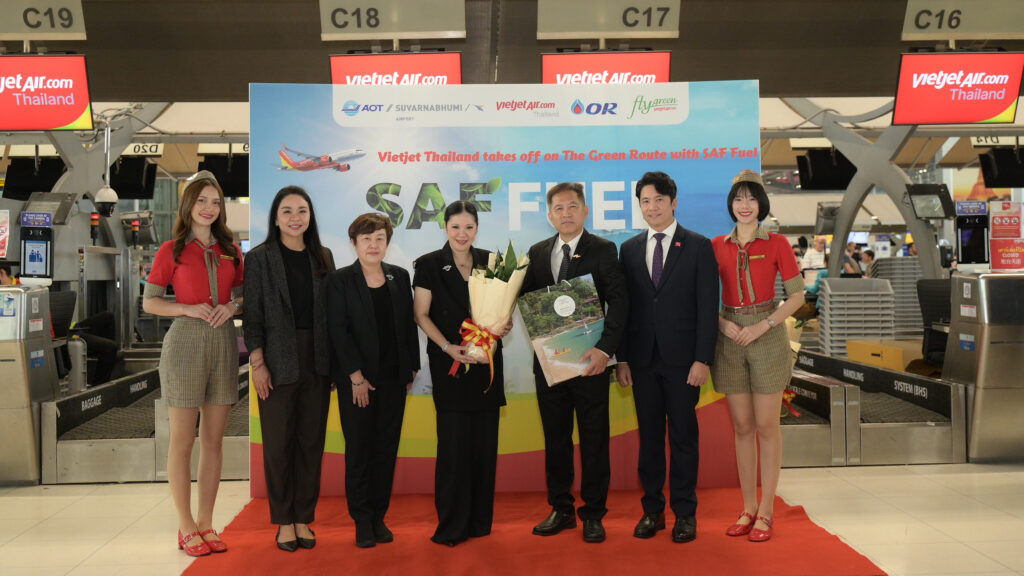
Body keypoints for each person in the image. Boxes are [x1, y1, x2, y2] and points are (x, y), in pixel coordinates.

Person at [142, 171, 243, 557]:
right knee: (183, 441)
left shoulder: (231, 249)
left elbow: (246, 293)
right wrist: (186, 307)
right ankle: (185, 526)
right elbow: (150, 301)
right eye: (202, 200)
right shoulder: (172, 249)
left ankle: (206, 523)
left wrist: (232, 306)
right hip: (184, 344)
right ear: (189, 205)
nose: (209, 208)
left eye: (215, 202)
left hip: (222, 343)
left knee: (214, 441)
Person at [520, 182, 628, 544]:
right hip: (551, 365)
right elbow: (527, 302)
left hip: (590, 362)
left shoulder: (603, 249)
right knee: (556, 439)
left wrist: (605, 350)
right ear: (549, 215)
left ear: (584, 211)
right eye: (558, 209)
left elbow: (620, 303)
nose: (565, 214)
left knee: (594, 440)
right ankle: (562, 509)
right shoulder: (536, 253)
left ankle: (593, 513)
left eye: (572, 207)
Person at [615, 171, 719, 543]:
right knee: (650, 440)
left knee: (683, 438)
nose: (652, 207)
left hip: (683, 362)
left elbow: (708, 307)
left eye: (659, 200)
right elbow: (623, 310)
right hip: (642, 361)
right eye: (645, 201)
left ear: (674, 202)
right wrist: (622, 358)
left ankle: (686, 514)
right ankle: (653, 511)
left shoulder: (698, 246)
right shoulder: (628, 250)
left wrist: (702, 359)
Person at [711, 170, 806, 543]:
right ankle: (747, 507)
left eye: (751, 199)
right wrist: (722, 324)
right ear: (731, 204)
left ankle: (767, 511)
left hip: (766, 335)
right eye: (738, 199)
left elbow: (798, 296)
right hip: (730, 337)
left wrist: (765, 325)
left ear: (761, 204)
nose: (745, 206)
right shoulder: (717, 244)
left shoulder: (778, 242)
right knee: (743, 427)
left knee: (768, 427)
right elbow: (703, 297)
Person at [413, 201, 510, 547]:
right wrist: (445, 347)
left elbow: (502, 310)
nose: (462, 234)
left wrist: (502, 327)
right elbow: (421, 314)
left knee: (485, 447)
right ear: (445, 227)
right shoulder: (428, 265)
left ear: (477, 229)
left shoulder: (491, 262)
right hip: (450, 366)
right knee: (453, 449)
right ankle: (452, 525)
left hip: (486, 367)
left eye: (468, 227)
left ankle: (480, 523)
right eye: (455, 227)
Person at [243, 186, 335, 552]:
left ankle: (303, 519)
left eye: (302, 210)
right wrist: (258, 362)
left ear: (310, 215)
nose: (295, 217)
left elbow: (330, 313)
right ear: (276, 217)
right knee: (279, 444)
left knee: (311, 444)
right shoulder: (261, 258)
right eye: (287, 211)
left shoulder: (322, 256)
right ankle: (283, 521)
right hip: (276, 361)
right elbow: (252, 316)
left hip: (319, 359)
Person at [326, 213, 419, 548]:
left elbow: (408, 327)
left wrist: (411, 369)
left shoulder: (399, 275)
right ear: (354, 243)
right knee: (359, 451)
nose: (373, 244)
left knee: (385, 449)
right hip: (357, 383)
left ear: (387, 242)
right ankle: (362, 520)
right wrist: (355, 376)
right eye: (366, 238)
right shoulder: (340, 280)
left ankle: (379, 516)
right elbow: (338, 331)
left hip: (394, 380)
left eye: (379, 238)